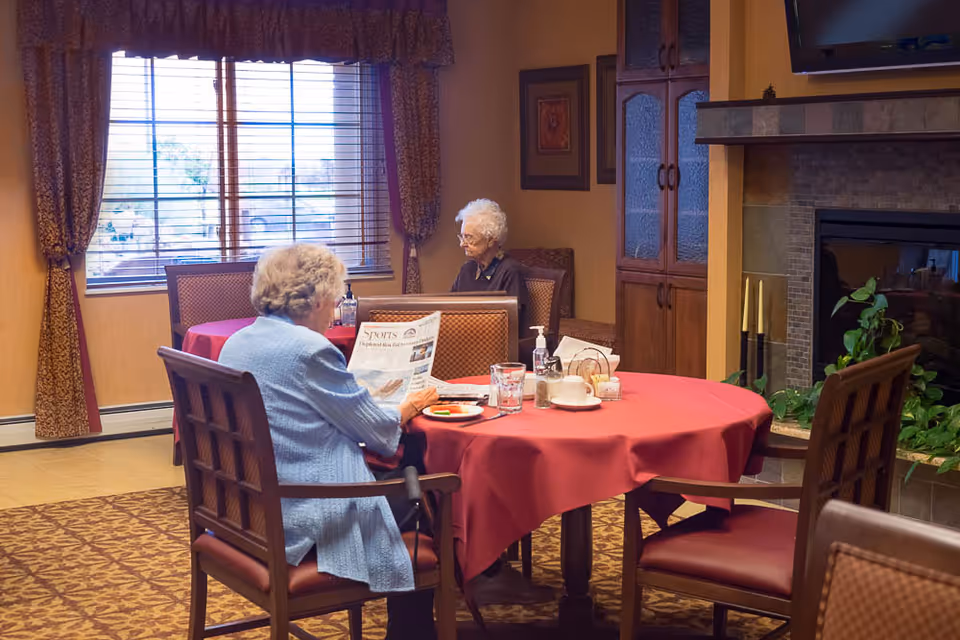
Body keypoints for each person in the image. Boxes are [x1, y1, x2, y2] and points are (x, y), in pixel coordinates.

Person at [218, 243, 439, 640]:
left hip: (245, 509)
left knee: (410, 480)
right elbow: (376, 433)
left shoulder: (238, 342)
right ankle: (412, 631)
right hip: (301, 512)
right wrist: (409, 405)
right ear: (317, 298)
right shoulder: (310, 349)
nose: (335, 308)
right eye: (334, 299)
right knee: (429, 496)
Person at [451, 199, 531, 335]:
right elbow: (448, 310)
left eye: (469, 238)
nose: (462, 244)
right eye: (462, 237)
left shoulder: (510, 271)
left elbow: (510, 324)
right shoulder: (467, 270)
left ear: (491, 240)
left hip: (494, 346)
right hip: (464, 340)